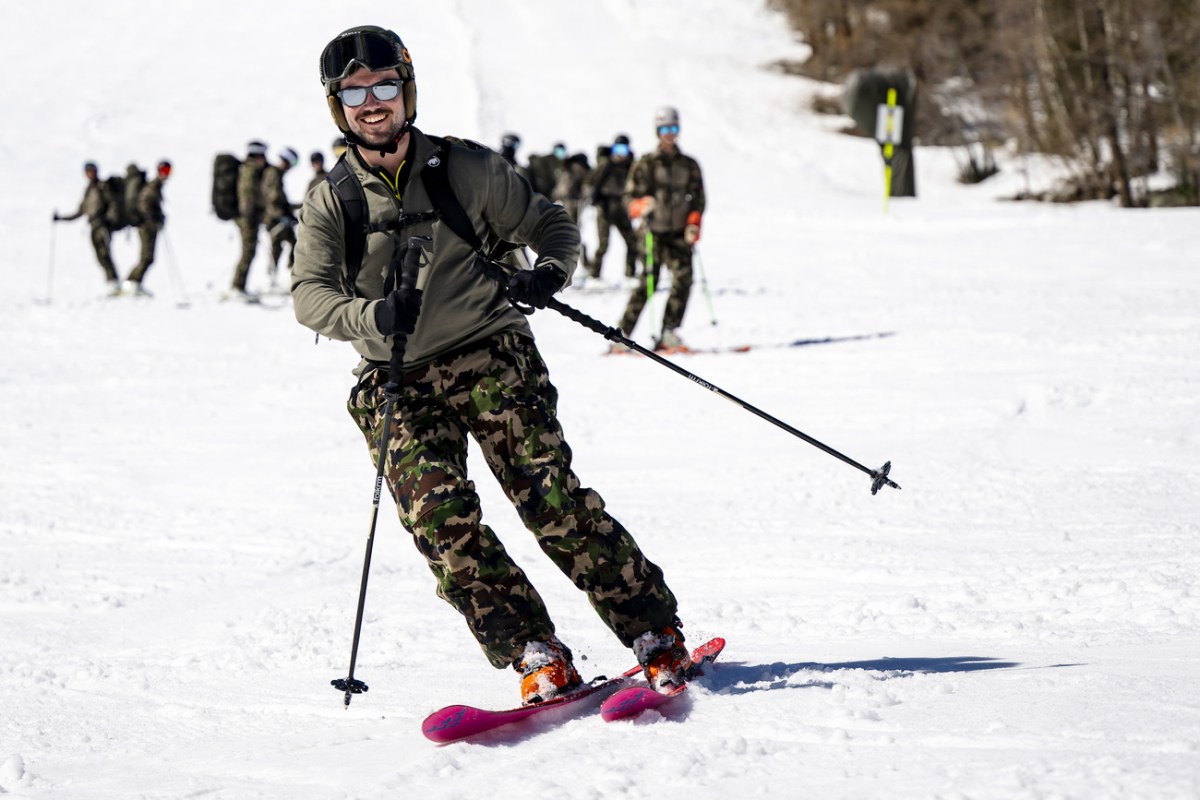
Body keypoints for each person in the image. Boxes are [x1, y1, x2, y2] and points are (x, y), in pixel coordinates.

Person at [292, 25, 692, 704]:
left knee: (550, 497)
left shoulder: (465, 169)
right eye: (354, 92)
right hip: (396, 376)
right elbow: (310, 297)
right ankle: (534, 649)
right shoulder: (334, 200)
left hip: (489, 352)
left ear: (406, 90)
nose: (371, 102)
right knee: (440, 518)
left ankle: (653, 631)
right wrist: (374, 318)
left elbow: (550, 224)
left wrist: (550, 272)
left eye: (384, 85)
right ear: (337, 105)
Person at [617, 106, 706, 352]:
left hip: (679, 233)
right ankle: (622, 335)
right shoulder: (645, 163)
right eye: (665, 129)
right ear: (658, 131)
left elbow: (698, 199)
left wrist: (693, 224)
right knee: (648, 282)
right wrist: (639, 206)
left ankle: (669, 331)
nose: (669, 134)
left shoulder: (689, 165)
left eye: (673, 128)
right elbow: (628, 198)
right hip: (652, 233)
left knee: (683, 279)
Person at [54, 161, 121, 295]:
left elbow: (113, 204)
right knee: (100, 256)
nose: (91, 174)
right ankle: (112, 283)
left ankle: (114, 283)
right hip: (93, 227)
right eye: (88, 171)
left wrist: (108, 220)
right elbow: (80, 211)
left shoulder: (102, 187)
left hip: (102, 226)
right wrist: (61, 218)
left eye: (92, 170)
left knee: (104, 254)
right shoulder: (88, 191)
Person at [586, 134, 638, 282]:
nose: (621, 154)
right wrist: (595, 199)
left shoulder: (631, 166)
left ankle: (630, 274)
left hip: (621, 208)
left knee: (632, 241)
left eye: (624, 150)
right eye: (618, 149)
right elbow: (590, 181)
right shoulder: (606, 165)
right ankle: (594, 275)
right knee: (603, 244)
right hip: (605, 208)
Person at [227, 140, 269, 301]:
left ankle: (239, 286)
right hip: (247, 219)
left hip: (247, 217)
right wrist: (250, 215)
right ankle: (237, 286)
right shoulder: (250, 170)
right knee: (247, 252)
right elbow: (247, 194)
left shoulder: (247, 169)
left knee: (248, 252)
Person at [124, 160, 172, 296]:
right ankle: (131, 282)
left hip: (149, 226)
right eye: (164, 171)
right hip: (146, 227)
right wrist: (153, 218)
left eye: (168, 171)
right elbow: (144, 203)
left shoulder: (157, 185)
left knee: (148, 257)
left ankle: (133, 283)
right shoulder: (153, 186)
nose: (166, 174)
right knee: (147, 257)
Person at [263, 147, 300, 289]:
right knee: (284, 246)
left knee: (283, 246)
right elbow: (272, 199)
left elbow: (281, 201)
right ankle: (275, 278)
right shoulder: (274, 174)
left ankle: (278, 277)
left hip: (278, 219)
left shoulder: (277, 174)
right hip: (274, 220)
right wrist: (281, 217)